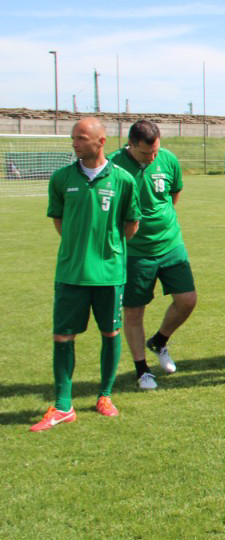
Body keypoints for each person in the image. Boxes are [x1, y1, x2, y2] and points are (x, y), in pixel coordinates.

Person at [32, 117, 141, 431]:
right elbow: (60, 221)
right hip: (71, 273)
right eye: (74, 138)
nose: (74, 143)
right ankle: (63, 405)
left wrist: (106, 248)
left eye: (81, 138)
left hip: (109, 274)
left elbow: (131, 224)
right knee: (63, 336)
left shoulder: (123, 180)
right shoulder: (61, 178)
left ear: (100, 142)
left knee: (110, 333)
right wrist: (79, 247)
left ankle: (104, 396)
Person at [110, 120, 197, 390]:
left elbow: (174, 193)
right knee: (134, 312)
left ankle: (159, 341)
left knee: (187, 300)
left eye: (156, 151)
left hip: (171, 244)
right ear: (130, 144)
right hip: (135, 251)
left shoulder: (168, 159)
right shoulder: (113, 165)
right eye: (146, 153)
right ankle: (142, 370)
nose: (152, 157)